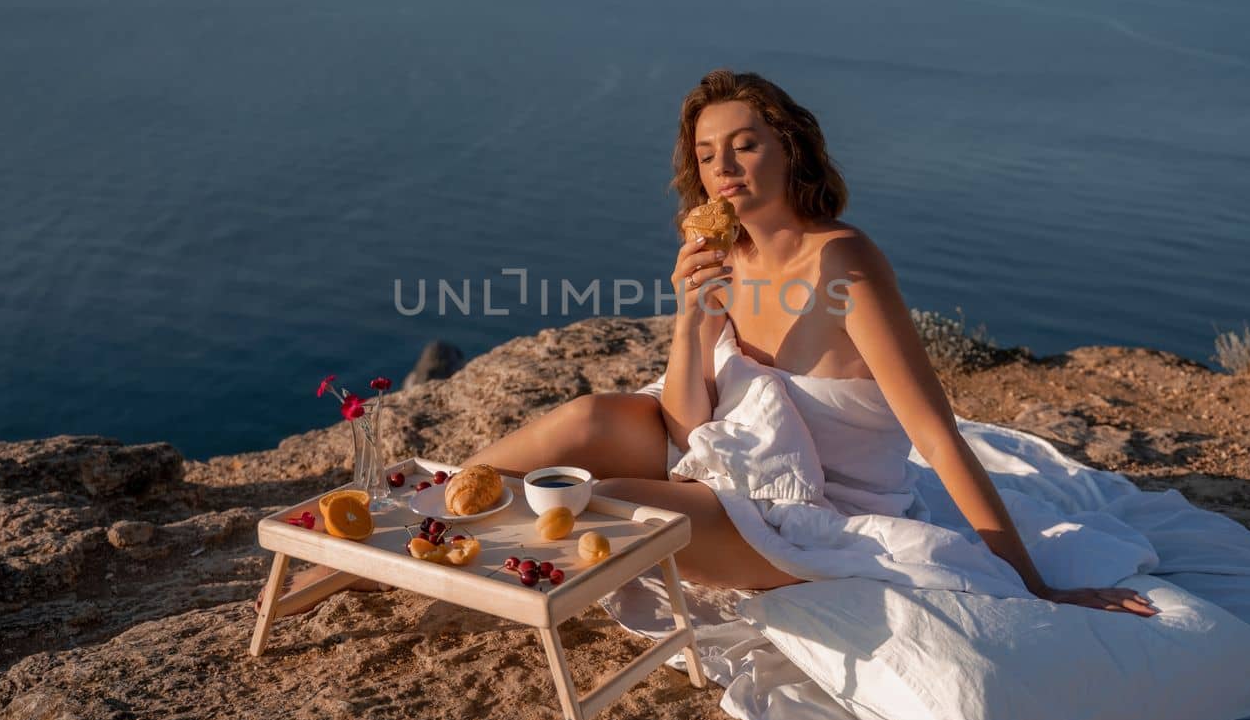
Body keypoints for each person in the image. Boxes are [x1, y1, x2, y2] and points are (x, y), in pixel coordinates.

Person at [261, 69, 1156, 618]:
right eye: (709, 152)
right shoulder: (714, 250)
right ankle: (397, 527)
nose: (727, 166)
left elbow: (934, 434)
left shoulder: (842, 262)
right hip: (727, 462)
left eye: (747, 145)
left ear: (790, 149)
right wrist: (692, 316)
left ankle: (420, 559)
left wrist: (1030, 581)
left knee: (598, 498)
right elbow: (691, 423)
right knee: (585, 419)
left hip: (817, 511)